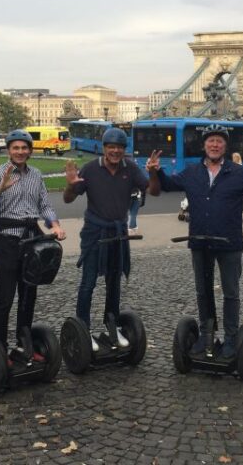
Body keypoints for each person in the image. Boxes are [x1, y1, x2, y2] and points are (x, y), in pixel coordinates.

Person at [146, 123, 243, 359]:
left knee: (231, 292)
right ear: (204, 145)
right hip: (200, 240)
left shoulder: (239, 172)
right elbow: (168, 185)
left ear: (225, 146)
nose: (214, 145)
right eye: (210, 141)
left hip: (229, 242)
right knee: (203, 292)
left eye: (219, 141)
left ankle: (231, 337)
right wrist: (156, 171)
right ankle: (206, 333)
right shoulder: (192, 172)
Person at [0, 130, 66, 360]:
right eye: (15, 148)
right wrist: (0, 189)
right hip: (7, 238)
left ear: (30, 150)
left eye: (24, 148)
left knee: (28, 294)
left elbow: (44, 205)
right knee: (5, 297)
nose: (20, 152)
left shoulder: (36, 174)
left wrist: (54, 225)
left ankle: (24, 344)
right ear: (8, 150)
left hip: (32, 239)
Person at [64, 127, 148, 350]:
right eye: (111, 147)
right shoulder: (91, 169)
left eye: (119, 147)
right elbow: (68, 199)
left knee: (114, 283)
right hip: (95, 232)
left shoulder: (130, 167)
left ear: (124, 150)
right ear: (104, 149)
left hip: (117, 233)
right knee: (88, 283)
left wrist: (154, 174)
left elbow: (148, 186)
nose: (115, 151)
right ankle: (84, 329)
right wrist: (70, 185)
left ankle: (112, 325)